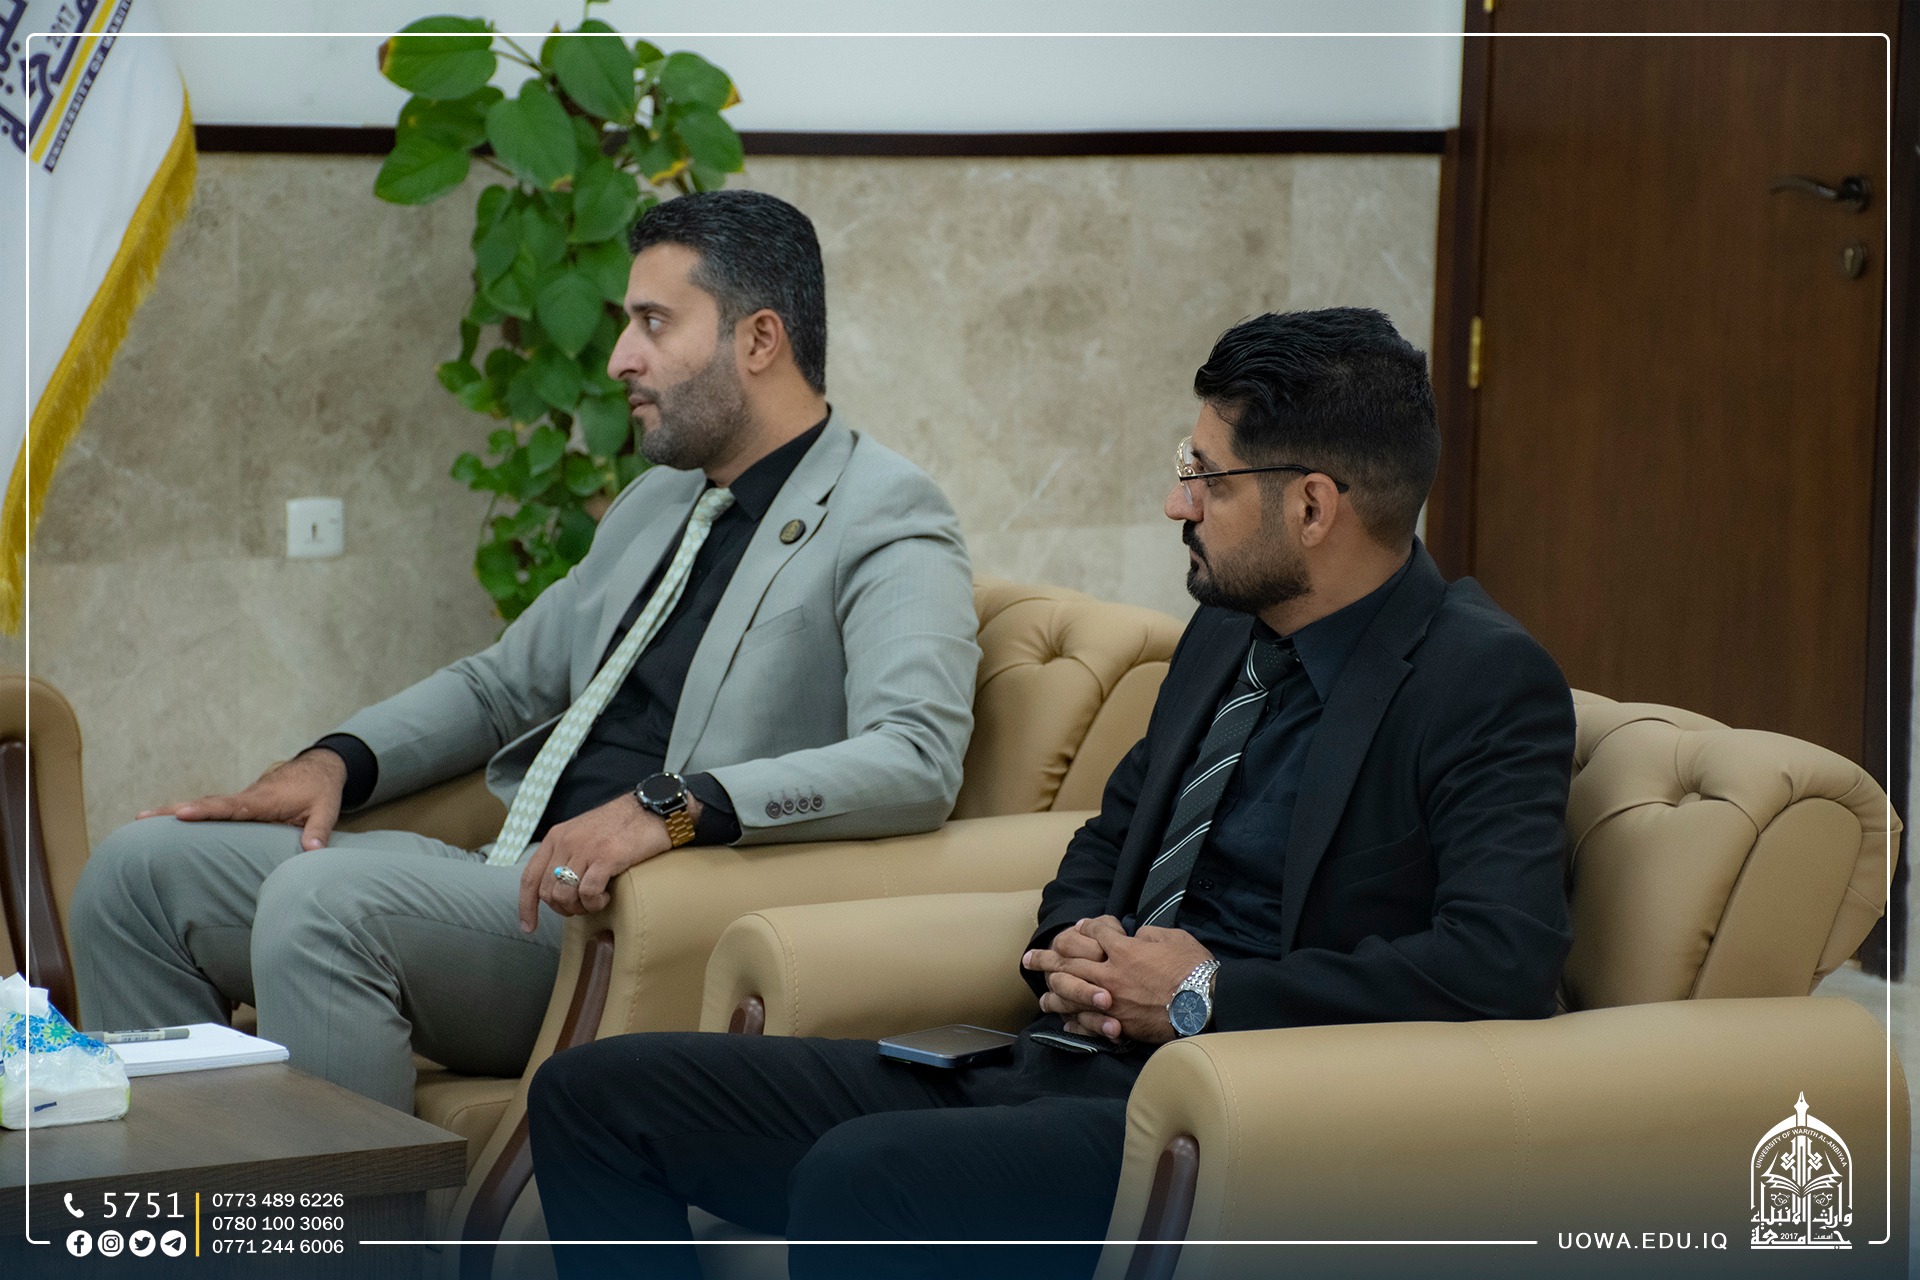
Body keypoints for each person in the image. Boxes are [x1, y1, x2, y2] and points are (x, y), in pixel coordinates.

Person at [526, 307, 1577, 1280]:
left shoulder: (1480, 679)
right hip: (1059, 1058)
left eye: (1207, 478)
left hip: (1230, 1119)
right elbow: (1110, 833)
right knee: (595, 1097)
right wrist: (1075, 941)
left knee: (863, 1177)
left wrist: (1203, 994)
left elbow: (1502, 961)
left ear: (1311, 505)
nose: (1176, 503)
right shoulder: (1228, 632)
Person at [68, 190, 979, 1112]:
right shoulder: (657, 503)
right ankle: (182, 1200)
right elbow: (501, 686)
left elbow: (916, 756)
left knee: (325, 899)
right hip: (511, 879)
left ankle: (352, 1212)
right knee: (136, 873)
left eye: (654, 323)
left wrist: (672, 808)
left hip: (639, 922)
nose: (621, 358)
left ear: (759, 340)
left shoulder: (885, 512)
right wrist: (335, 762)